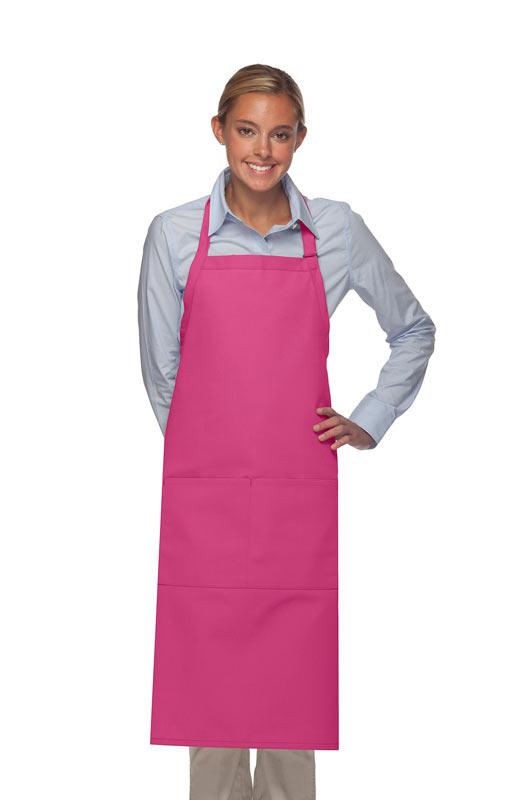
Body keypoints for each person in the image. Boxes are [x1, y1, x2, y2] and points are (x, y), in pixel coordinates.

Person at [137, 63, 436, 800]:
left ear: (300, 138)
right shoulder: (173, 234)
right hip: (205, 500)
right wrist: (206, 453)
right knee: (208, 695)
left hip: (295, 494)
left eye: (279, 134)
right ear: (219, 131)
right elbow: (162, 370)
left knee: (289, 693)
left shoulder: (335, 229)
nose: (262, 150)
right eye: (247, 130)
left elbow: (413, 329)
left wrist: (369, 419)